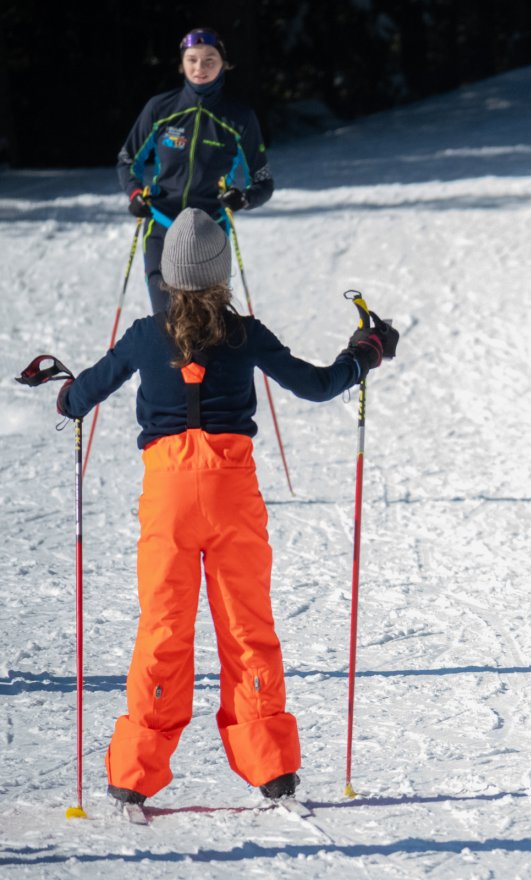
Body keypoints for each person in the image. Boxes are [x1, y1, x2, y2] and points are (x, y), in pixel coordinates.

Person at [50, 208, 399, 809]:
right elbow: (316, 386)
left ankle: (134, 774)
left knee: (163, 628)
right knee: (246, 628)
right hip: (232, 495)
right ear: (220, 277)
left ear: (166, 278)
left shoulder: (141, 335)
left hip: (168, 500)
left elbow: (77, 398)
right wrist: (364, 353)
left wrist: (63, 390)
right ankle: (271, 770)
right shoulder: (245, 334)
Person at [118, 27, 273, 314]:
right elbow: (128, 160)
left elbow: (263, 182)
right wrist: (135, 194)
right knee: (166, 320)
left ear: (224, 64)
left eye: (209, 60)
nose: (200, 67)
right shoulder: (160, 109)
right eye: (192, 60)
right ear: (182, 63)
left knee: (208, 326)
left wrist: (244, 198)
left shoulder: (239, 118)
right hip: (162, 222)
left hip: (210, 228)